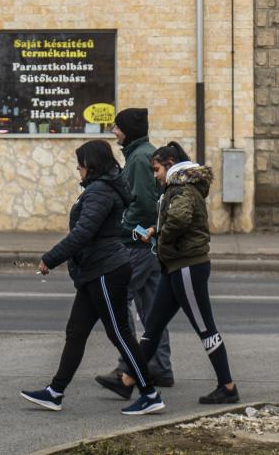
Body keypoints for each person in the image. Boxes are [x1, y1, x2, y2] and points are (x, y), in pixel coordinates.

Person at [21, 140, 166, 416]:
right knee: (76, 332)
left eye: (80, 164)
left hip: (105, 271)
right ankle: (55, 392)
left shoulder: (99, 191)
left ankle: (150, 394)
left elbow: (83, 233)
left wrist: (50, 258)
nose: (77, 169)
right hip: (95, 271)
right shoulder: (101, 188)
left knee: (120, 334)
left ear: (91, 165)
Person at [102, 142, 239, 405]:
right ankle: (128, 380)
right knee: (152, 325)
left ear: (170, 165)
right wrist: (157, 230)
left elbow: (180, 219)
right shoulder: (177, 189)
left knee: (204, 327)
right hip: (174, 267)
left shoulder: (182, 188)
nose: (155, 175)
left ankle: (228, 386)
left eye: (156, 169)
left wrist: (161, 234)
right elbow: (174, 218)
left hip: (188, 265)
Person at [97, 107, 173, 392]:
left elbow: (140, 205)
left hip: (138, 244)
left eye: (117, 127)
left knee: (117, 300)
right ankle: (159, 367)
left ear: (127, 130)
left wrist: (120, 226)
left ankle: (127, 366)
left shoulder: (140, 158)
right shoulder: (141, 155)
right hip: (150, 245)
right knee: (152, 309)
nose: (114, 132)